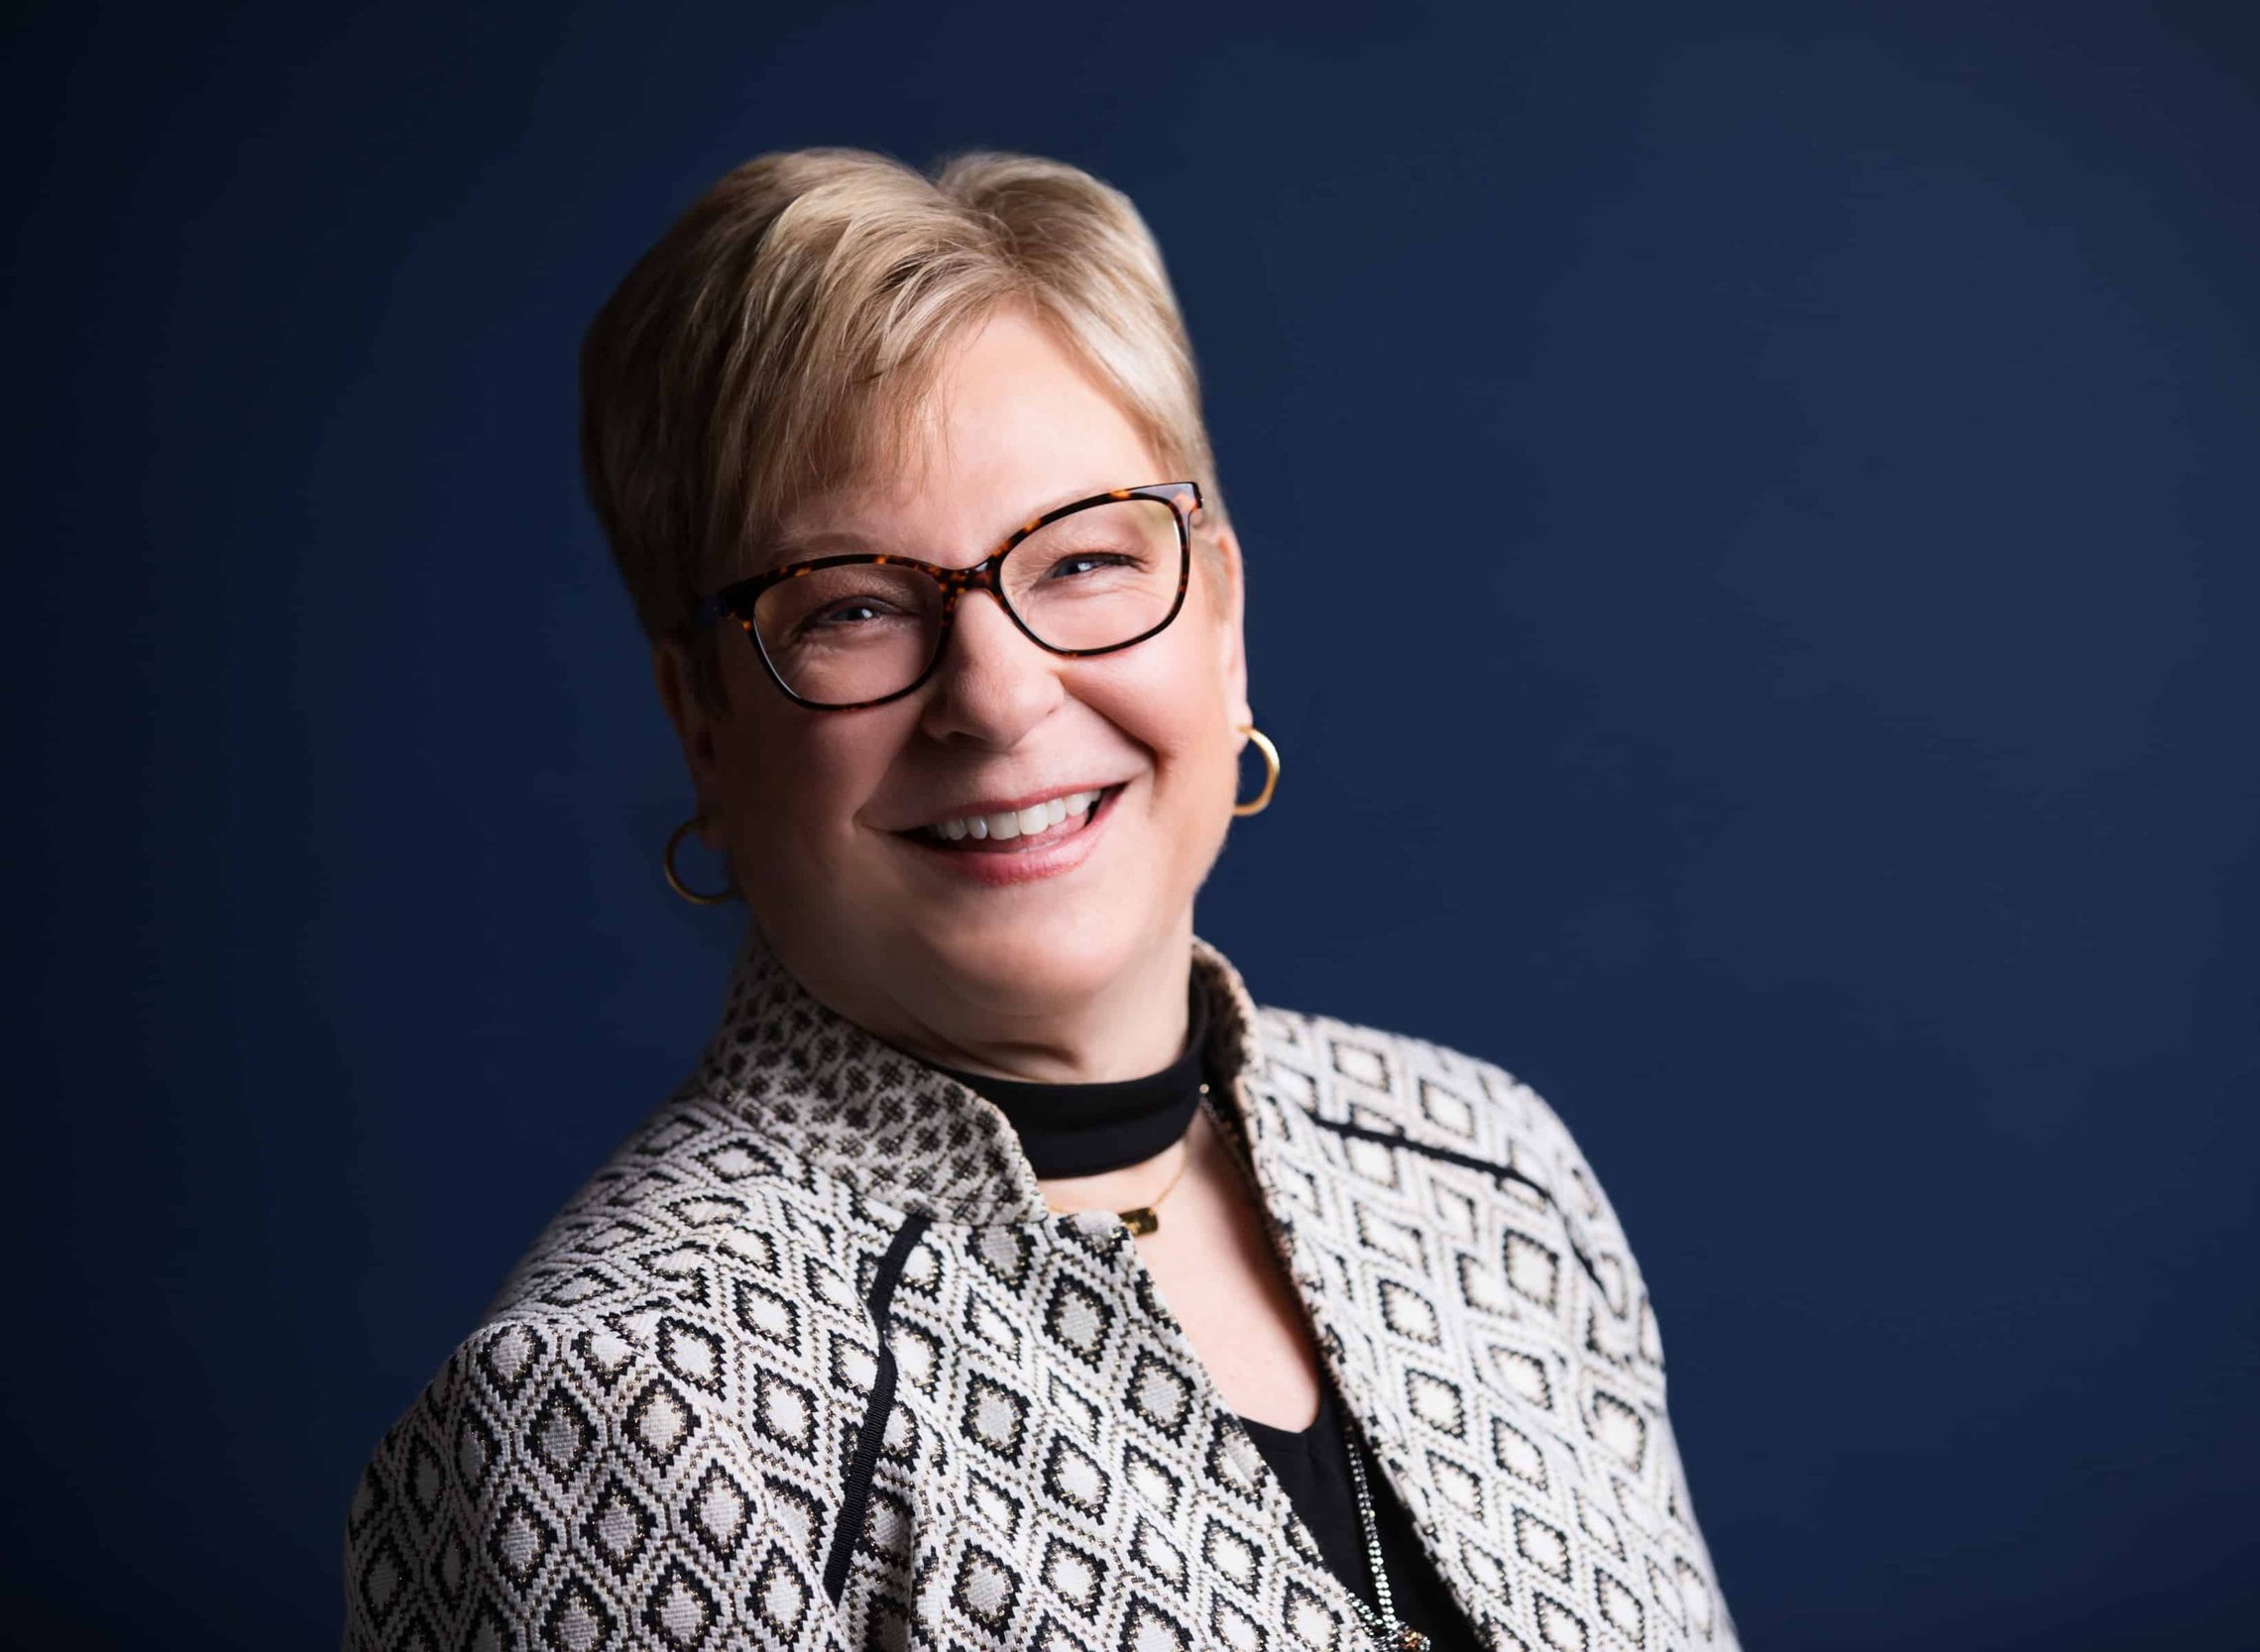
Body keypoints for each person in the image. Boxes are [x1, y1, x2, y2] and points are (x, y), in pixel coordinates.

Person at [341, 146, 1737, 1652]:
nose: (999, 704)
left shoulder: (1489, 1179)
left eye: (1081, 560)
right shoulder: (627, 1396)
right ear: (701, 717)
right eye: (857, 607)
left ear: (1223, 618)